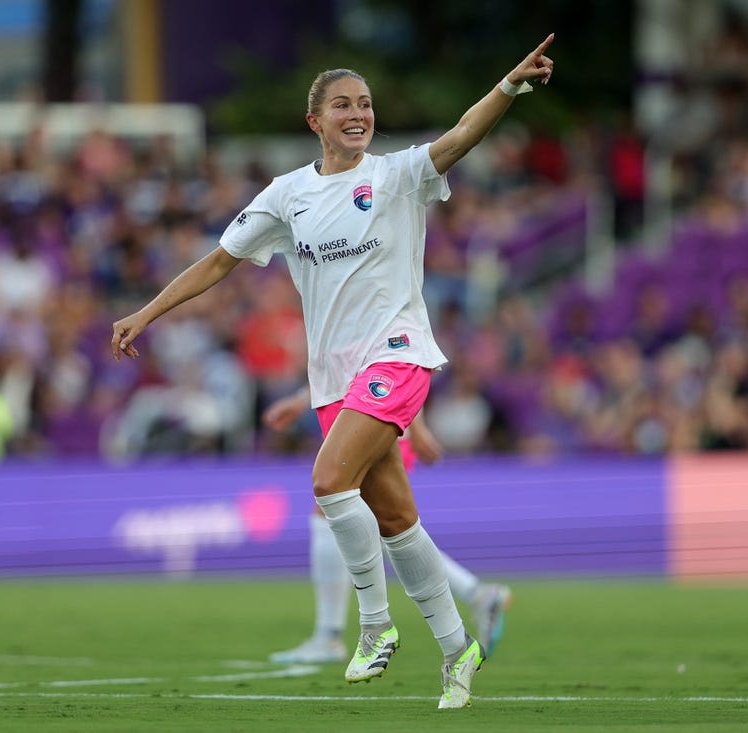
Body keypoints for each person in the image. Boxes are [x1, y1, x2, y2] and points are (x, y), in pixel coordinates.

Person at [111, 34, 554, 709]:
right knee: (398, 519)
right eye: (343, 105)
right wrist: (146, 312)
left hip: (398, 354)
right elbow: (219, 261)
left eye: (366, 103)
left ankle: (373, 626)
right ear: (314, 121)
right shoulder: (287, 197)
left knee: (326, 480)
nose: (358, 113)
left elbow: (462, 135)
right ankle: (457, 643)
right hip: (333, 381)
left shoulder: (397, 175)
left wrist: (510, 86)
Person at [260, 385, 512, 666]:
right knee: (385, 531)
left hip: (377, 422)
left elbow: (391, 361)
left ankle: (329, 636)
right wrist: (301, 399)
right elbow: (344, 366)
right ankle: (478, 594)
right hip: (369, 420)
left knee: (341, 514)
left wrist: (418, 425)